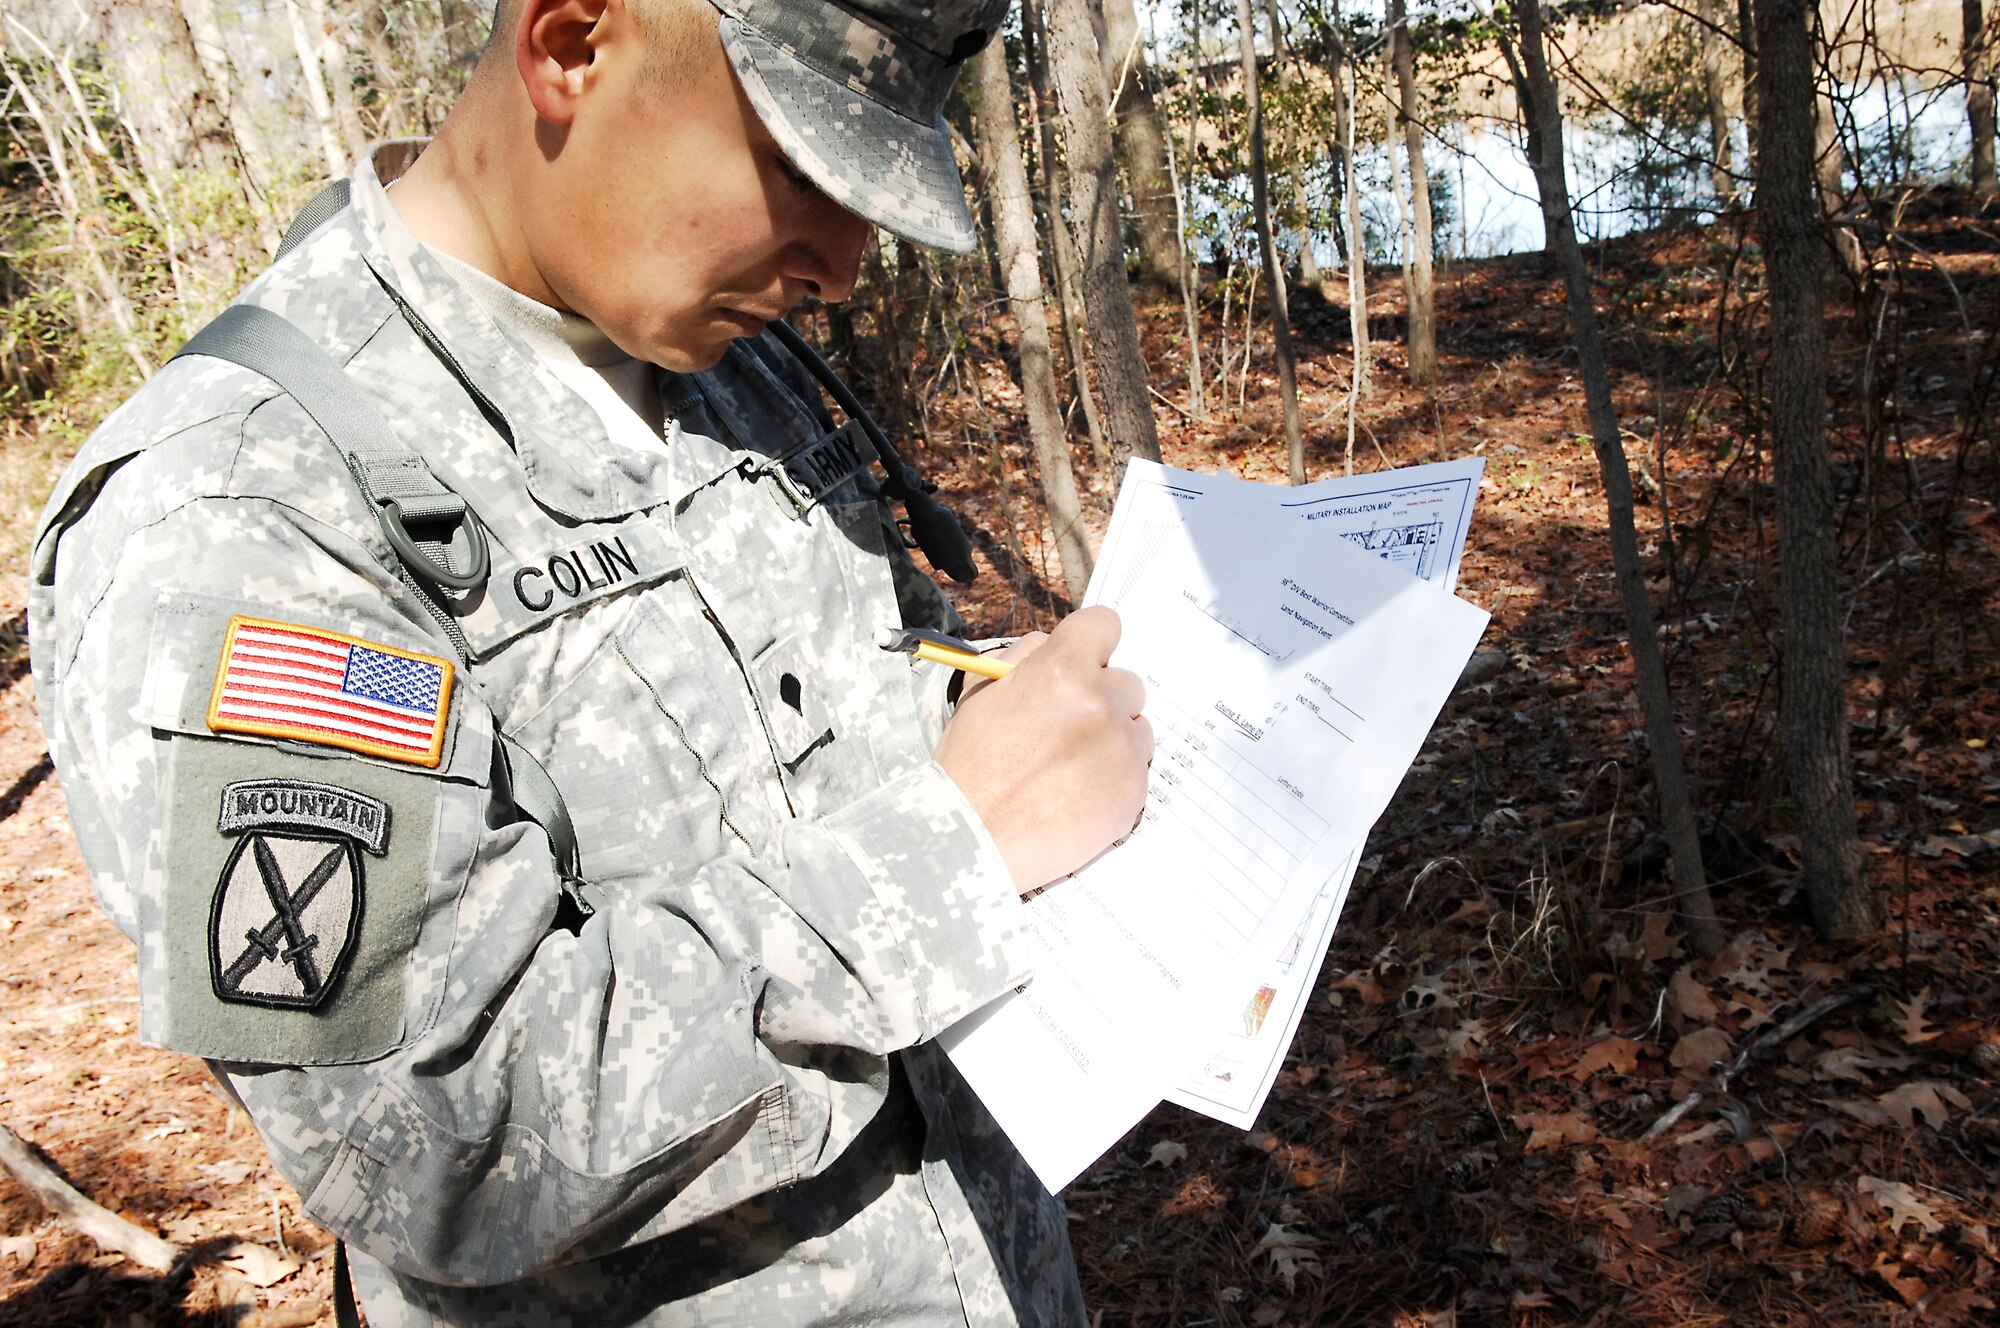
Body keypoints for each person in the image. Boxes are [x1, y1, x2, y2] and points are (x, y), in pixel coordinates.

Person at [28, 0, 1153, 1322]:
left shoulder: (726, 360)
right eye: (801, 166)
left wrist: (1023, 714)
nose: (846, 264)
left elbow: (835, 697)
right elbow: (423, 1139)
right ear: (570, 47)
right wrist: (956, 847)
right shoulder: (243, 507)